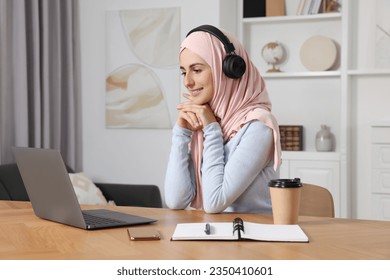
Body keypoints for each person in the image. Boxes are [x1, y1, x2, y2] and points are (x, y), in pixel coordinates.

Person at [164, 25, 281, 213]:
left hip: (253, 236)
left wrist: (211, 129)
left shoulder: (260, 127)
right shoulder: (206, 118)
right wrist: (181, 133)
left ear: (227, 70)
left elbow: (214, 202)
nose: (187, 82)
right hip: (214, 234)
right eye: (184, 72)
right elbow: (175, 200)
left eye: (197, 70)